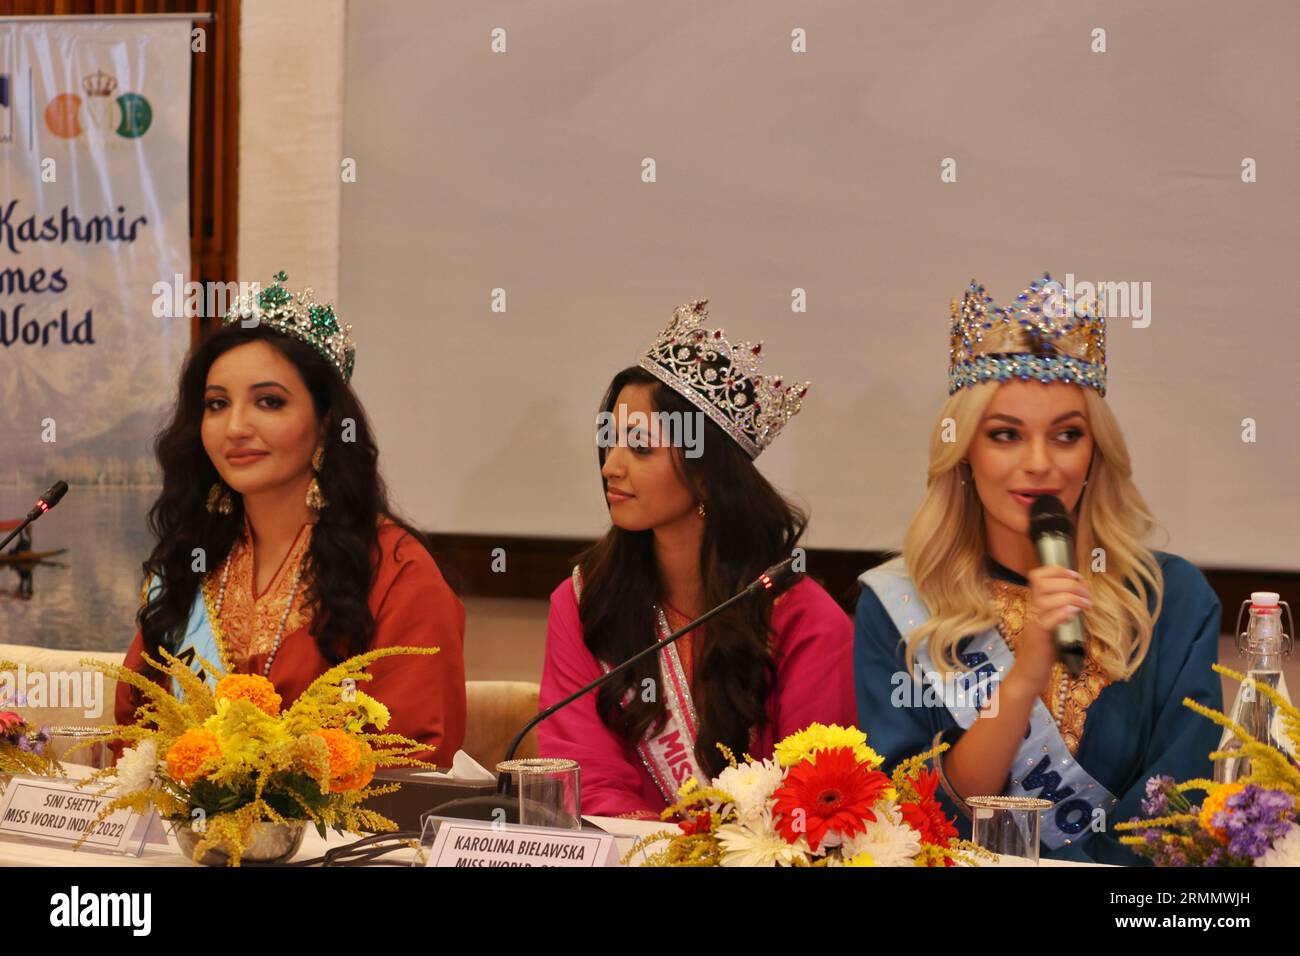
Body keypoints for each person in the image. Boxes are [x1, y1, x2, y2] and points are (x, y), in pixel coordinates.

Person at [854, 274, 1222, 864]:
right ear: (965, 455)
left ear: (1095, 453)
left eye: (1067, 435)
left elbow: (1177, 804)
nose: (1039, 464)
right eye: (1005, 435)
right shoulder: (899, 604)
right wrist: (1025, 674)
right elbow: (914, 817)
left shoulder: (1170, 598)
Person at [114, 271, 465, 767]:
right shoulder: (190, 561)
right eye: (217, 404)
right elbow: (135, 735)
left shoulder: (398, 573)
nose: (236, 427)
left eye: (269, 401)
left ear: (325, 421)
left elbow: (414, 761)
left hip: (337, 843)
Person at [539, 299, 855, 818]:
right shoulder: (583, 601)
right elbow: (583, 779)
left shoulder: (807, 622)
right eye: (609, 442)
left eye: (640, 448)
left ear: (707, 472)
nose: (611, 467)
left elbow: (818, 803)